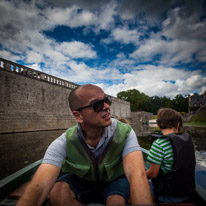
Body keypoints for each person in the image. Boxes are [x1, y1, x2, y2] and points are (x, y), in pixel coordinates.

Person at [16, 84, 153, 206]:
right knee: (58, 193)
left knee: (116, 201)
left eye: (106, 100)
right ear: (78, 116)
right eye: (97, 104)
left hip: (114, 180)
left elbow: (137, 175)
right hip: (80, 181)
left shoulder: (125, 132)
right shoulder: (63, 142)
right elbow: (39, 187)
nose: (106, 107)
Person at [146, 108, 196, 203]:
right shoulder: (187, 141)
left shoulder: (159, 144)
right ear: (178, 125)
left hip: (167, 195)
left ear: (158, 125)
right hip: (188, 192)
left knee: (141, 183)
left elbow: (152, 174)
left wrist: (140, 175)